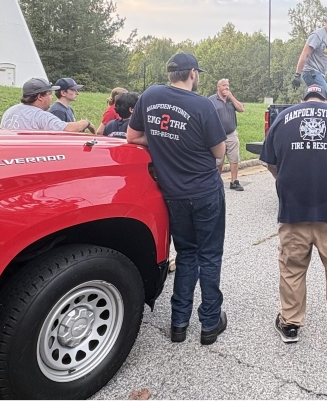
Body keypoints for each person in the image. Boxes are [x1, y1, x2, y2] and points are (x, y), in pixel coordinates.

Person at [126, 53, 228, 346]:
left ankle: (178, 323)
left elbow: (132, 137)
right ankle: (210, 323)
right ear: (193, 73)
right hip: (205, 192)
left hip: (174, 195)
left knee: (185, 256)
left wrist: (161, 139)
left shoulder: (150, 96)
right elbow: (219, 152)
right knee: (209, 256)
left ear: (171, 73)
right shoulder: (202, 105)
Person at [260, 84, 327, 348]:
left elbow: (270, 162)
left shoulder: (283, 118)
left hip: (293, 211)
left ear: (304, 99)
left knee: (292, 269)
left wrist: (283, 183)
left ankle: (290, 324)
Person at [1, 77, 95, 133]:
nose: (52, 98)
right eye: (49, 94)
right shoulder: (41, 116)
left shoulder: (10, 110)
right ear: (40, 97)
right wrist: (86, 122)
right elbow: (68, 129)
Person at [291, 11, 327, 104]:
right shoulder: (317, 35)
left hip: (320, 74)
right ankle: (326, 118)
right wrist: (297, 74)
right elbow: (304, 54)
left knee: (319, 99)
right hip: (310, 72)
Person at [209, 79, 245, 191]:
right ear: (218, 87)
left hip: (232, 134)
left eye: (228, 85)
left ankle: (234, 181)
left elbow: (241, 109)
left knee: (234, 159)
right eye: (224, 85)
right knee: (218, 161)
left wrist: (232, 97)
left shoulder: (231, 100)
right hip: (218, 135)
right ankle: (217, 181)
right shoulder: (211, 100)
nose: (226, 88)